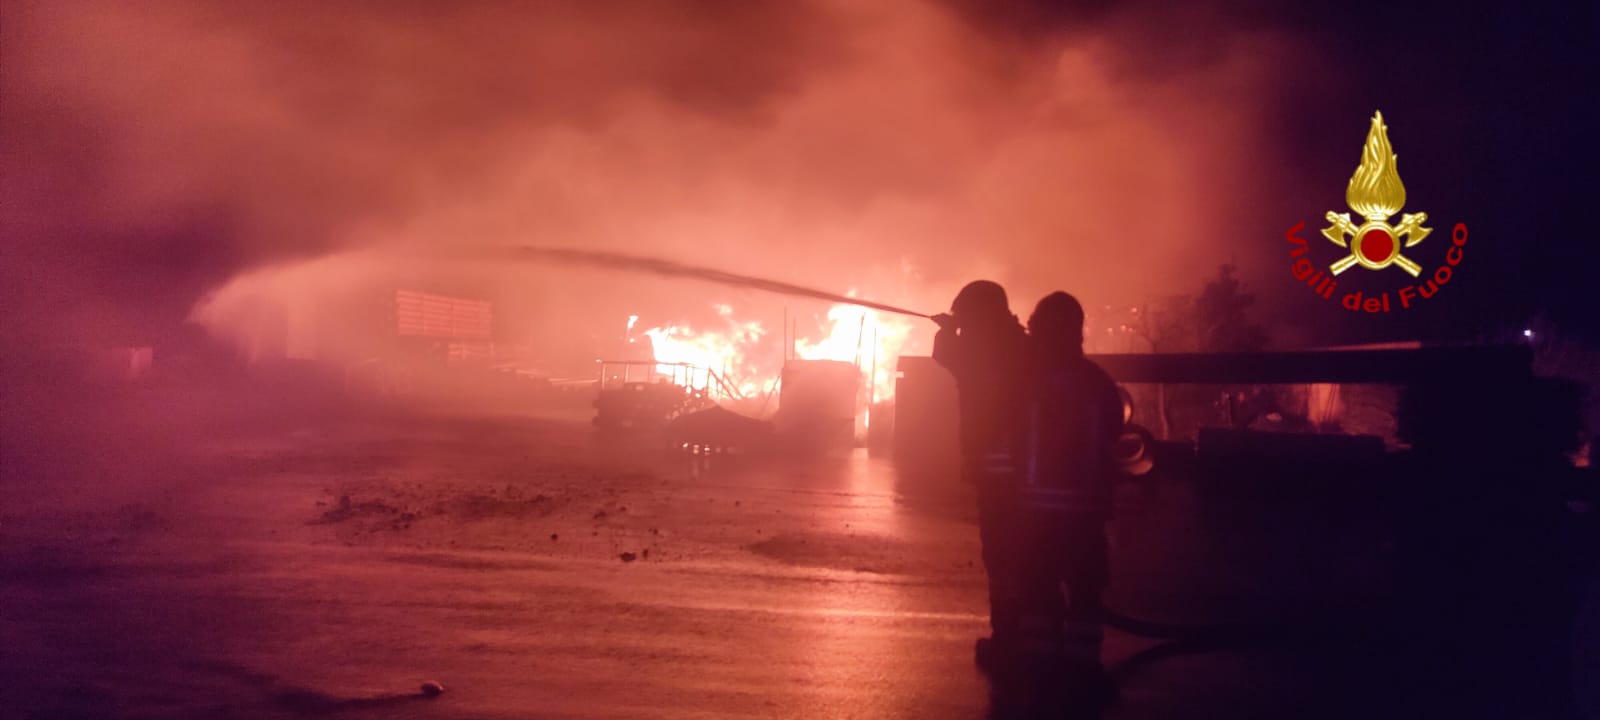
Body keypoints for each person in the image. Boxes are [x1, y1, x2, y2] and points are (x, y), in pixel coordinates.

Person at [1016, 291, 1123, 696]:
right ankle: (1082, 670)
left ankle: (1034, 671)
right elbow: (1113, 436)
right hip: (1086, 513)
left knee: (1037, 589)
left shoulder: (1027, 381)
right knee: (1084, 590)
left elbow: (1005, 433)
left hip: (1034, 513)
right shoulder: (1098, 382)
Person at [930, 280, 1030, 669]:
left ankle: (1008, 637)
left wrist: (946, 328)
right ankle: (1034, 635)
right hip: (1031, 470)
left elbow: (945, 354)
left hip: (995, 470)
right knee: (1030, 554)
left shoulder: (975, 350)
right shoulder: (1021, 344)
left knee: (1002, 555)